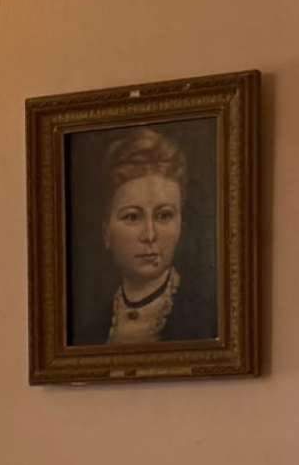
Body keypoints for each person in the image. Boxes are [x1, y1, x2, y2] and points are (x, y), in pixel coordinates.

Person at [78, 122, 221, 347]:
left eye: (164, 216)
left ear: (181, 224)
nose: (150, 235)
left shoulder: (206, 319)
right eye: (132, 217)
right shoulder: (89, 333)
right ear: (106, 233)